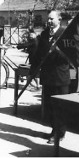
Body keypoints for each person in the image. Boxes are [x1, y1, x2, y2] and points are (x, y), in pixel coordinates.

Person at [30, 10, 69, 144]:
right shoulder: (45, 34)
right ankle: (54, 129)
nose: (49, 21)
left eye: (52, 19)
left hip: (60, 76)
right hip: (48, 76)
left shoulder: (65, 34)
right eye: (48, 19)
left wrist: (55, 52)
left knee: (60, 107)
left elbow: (69, 56)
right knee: (50, 106)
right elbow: (40, 53)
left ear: (59, 19)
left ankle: (60, 132)